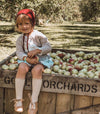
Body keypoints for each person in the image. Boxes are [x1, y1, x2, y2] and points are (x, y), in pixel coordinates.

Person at [14, 9, 53, 114]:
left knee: (37, 70)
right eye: (20, 24)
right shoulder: (19, 39)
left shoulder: (39, 35)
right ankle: (18, 100)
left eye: (27, 23)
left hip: (40, 59)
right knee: (21, 68)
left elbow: (48, 47)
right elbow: (19, 52)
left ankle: (34, 101)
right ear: (17, 26)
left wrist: (38, 51)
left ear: (33, 23)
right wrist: (26, 59)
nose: (24, 26)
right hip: (27, 60)